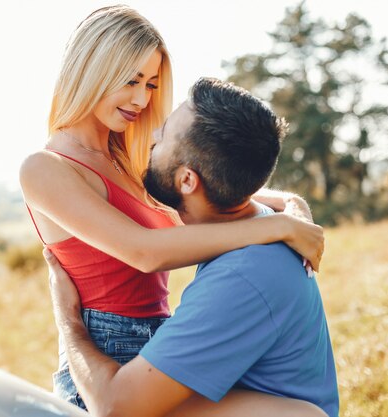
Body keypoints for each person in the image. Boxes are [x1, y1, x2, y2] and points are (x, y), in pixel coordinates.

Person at [19, 4, 324, 412]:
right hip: (104, 359)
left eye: (151, 83)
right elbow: (145, 252)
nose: (142, 99)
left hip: (158, 343)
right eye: (131, 81)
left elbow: (228, 193)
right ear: (93, 70)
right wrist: (278, 229)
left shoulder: (127, 156)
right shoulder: (45, 169)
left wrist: (293, 206)